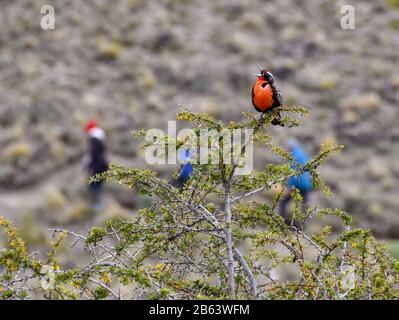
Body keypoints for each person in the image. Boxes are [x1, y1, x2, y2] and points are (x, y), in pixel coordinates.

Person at [279, 140, 313, 226]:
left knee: (283, 202)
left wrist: (290, 186)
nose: (285, 150)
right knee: (304, 206)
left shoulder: (294, 156)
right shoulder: (302, 153)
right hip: (306, 185)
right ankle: (303, 225)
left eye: (286, 147)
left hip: (297, 184)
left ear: (290, 147)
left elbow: (294, 174)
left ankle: (281, 222)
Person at [83, 119, 109, 211]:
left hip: (96, 167)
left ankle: (99, 205)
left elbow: (93, 156)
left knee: (94, 185)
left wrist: (88, 164)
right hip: (103, 166)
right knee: (98, 185)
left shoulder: (93, 141)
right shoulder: (100, 140)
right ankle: (100, 204)